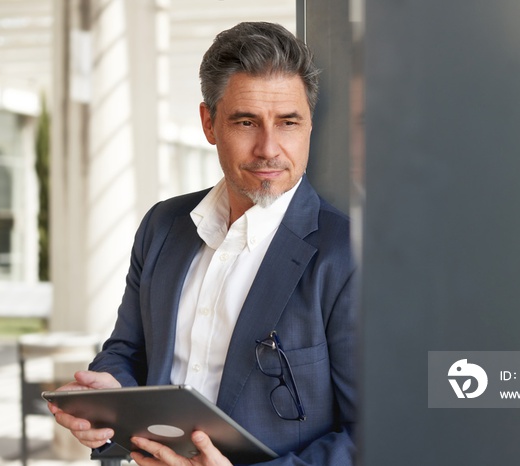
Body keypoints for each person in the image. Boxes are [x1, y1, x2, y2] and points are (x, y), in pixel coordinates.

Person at [48, 21, 356, 466]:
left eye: (288, 122)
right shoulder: (162, 226)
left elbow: (373, 433)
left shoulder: (347, 254)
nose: (269, 148)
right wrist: (109, 396)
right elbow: (127, 351)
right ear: (209, 123)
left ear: (309, 126)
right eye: (246, 122)